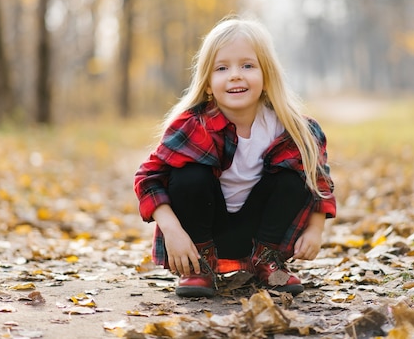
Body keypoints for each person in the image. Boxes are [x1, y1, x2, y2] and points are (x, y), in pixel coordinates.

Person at [134, 15, 336, 298]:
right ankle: (199, 266)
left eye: (248, 65)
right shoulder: (193, 126)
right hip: (203, 232)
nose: (235, 75)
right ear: (207, 84)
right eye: (222, 68)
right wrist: (172, 231)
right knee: (189, 174)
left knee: (295, 176)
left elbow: (319, 182)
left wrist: (316, 230)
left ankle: (266, 260)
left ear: (266, 77)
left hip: (260, 232)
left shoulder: (296, 130)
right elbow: (148, 179)